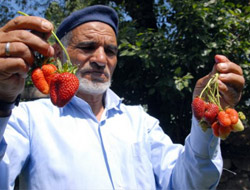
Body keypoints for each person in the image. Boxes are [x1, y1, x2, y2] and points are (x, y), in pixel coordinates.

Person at [0, 4, 245, 190]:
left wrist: (204, 119)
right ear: (58, 57)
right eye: (86, 47)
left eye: (110, 51)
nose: (100, 59)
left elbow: (190, 182)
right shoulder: (29, 119)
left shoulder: (141, 122)